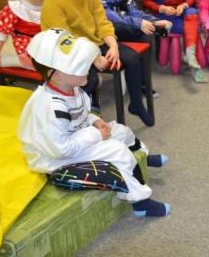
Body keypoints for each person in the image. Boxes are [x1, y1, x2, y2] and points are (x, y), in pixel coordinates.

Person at [17, 28, 171, 217]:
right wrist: (96, 135)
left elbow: (82, 113)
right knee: (116, 150)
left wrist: (95, 121)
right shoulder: (50, 108)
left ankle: (142, 158)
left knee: (121, 131)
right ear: (55, 74)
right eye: (80, 66)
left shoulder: (71, 87)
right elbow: (60, 149)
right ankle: (141, 202)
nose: (88, 69)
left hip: (76, 137)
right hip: (56, 157)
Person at [41, 0, 155, 126]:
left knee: (132, 58)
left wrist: (113, 46)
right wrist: (94, 58)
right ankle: (81, 118)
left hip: (93, 44)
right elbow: (65, 38)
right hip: (66, 51)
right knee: (90, 80)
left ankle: (135, 104)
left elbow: (103, 24)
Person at [92, 0, 170, 98]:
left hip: (124, 28)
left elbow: (133, 10)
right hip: (105, 34)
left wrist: (152, 20)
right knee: (133, 28)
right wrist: (139, 23)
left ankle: (143, 83)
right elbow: (113, 19)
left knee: (145, 36)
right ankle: (152, 29)